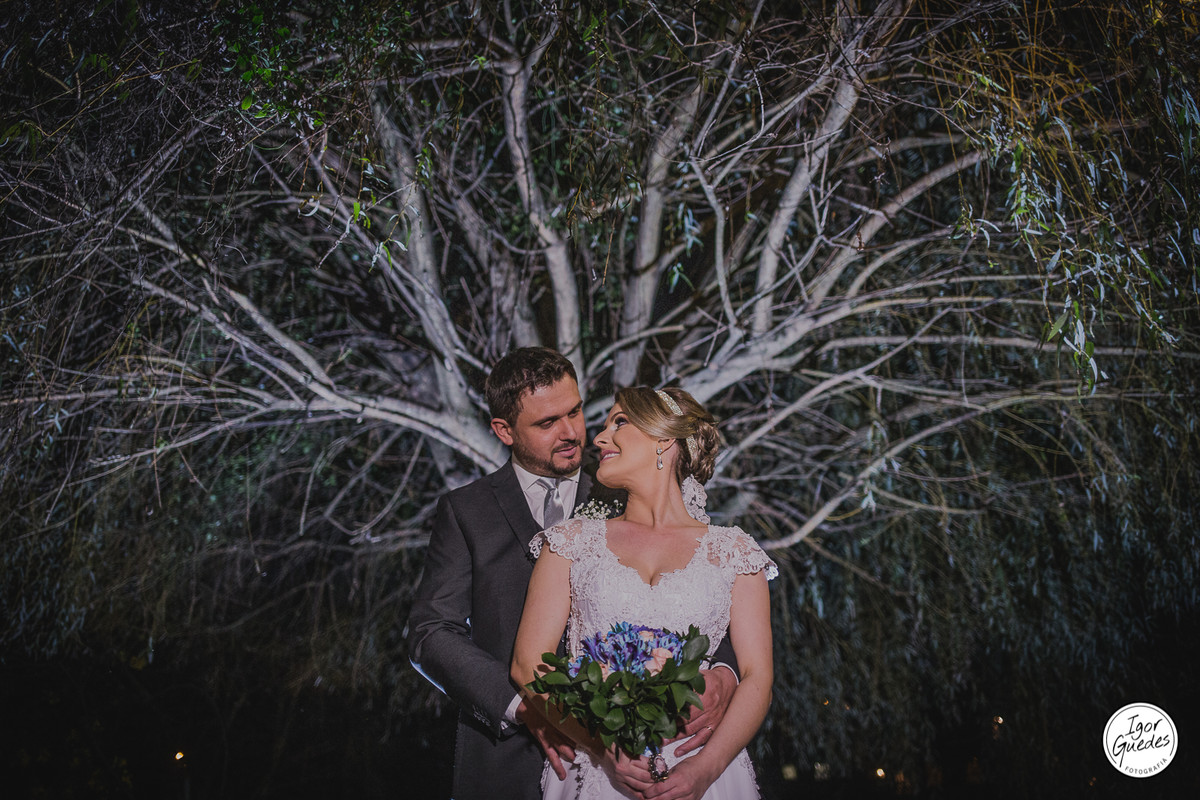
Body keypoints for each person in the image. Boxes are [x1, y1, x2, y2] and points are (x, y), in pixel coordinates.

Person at [407, 350, 739, 800]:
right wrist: (526, 708)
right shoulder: (467, 511)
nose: (571, 433)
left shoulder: (628, 488)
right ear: (504, 430)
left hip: (640, 754)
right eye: (547, 423)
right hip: (508, 757)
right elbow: (431, 633)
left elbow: (703, 588)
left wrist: (725, 671)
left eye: (576, 411)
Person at [512, 386, 777, 800]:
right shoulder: (569, 542)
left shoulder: (734, 551)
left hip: (706, 769)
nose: (598, 439)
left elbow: (758, 678)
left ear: (664, 438)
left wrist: (705, 770)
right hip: (597, 769)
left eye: (619, 422)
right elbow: (529, 665)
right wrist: (603, 747)